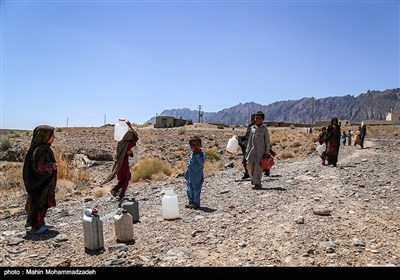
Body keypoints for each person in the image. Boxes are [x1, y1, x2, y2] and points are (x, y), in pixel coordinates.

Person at [23, 125, 58, 235]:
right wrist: (52, 166)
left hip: (44, 183)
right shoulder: (40, 150)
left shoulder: (44, 148)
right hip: (39, 183)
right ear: (45, 136)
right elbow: (39, 166)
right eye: (52, 135)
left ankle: (41, 222)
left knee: (44, 204)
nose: (54, 137)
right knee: (39, 204)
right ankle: (36, 227)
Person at [103, 121, 139, 200]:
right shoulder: (127, 144)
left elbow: (129, 152)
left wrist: (129, 152)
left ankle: (115, 190)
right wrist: (130, 126)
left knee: (124, 179)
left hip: (119, 165)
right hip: (123, 165)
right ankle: (121, 195)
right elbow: (136, 137)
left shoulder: (120, 144)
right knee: (126, 179)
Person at [245, 111, 271, 189]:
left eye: (259, 118)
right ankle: (253, 179)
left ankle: (258, 183)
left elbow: (267, 141)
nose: (257, 119)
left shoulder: (264, 129)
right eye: (256, 118)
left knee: (258, 168)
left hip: (260, 151)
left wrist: (267, 152)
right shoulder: (252, 128)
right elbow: (250, 140)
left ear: (262, 119)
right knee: (249, 166)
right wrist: (247, 151)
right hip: (251, 151)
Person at [184, 136, 206, 209]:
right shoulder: (191, 153)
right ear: (191, 146)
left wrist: (197, 155)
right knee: (189, 189)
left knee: (196, 190)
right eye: (193, 145)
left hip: (197, 176)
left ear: (200, 145)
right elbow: (190, 163)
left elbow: (201, 163)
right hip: (190, 175)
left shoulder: (202, 154)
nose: (195, 146)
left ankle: (196, 203)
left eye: (197, 144)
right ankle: (191, 202)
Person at [237, 114, 256, 179]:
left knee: (253, 161)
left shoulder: (258, 127)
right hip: (246, 145)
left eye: (254, 118)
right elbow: (246, 136)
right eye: (252, 118)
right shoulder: (250, 126)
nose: (253, 120)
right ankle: (247, 173)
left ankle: (254, 174)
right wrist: (238, 137)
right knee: (245, 160)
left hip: (253, 146)